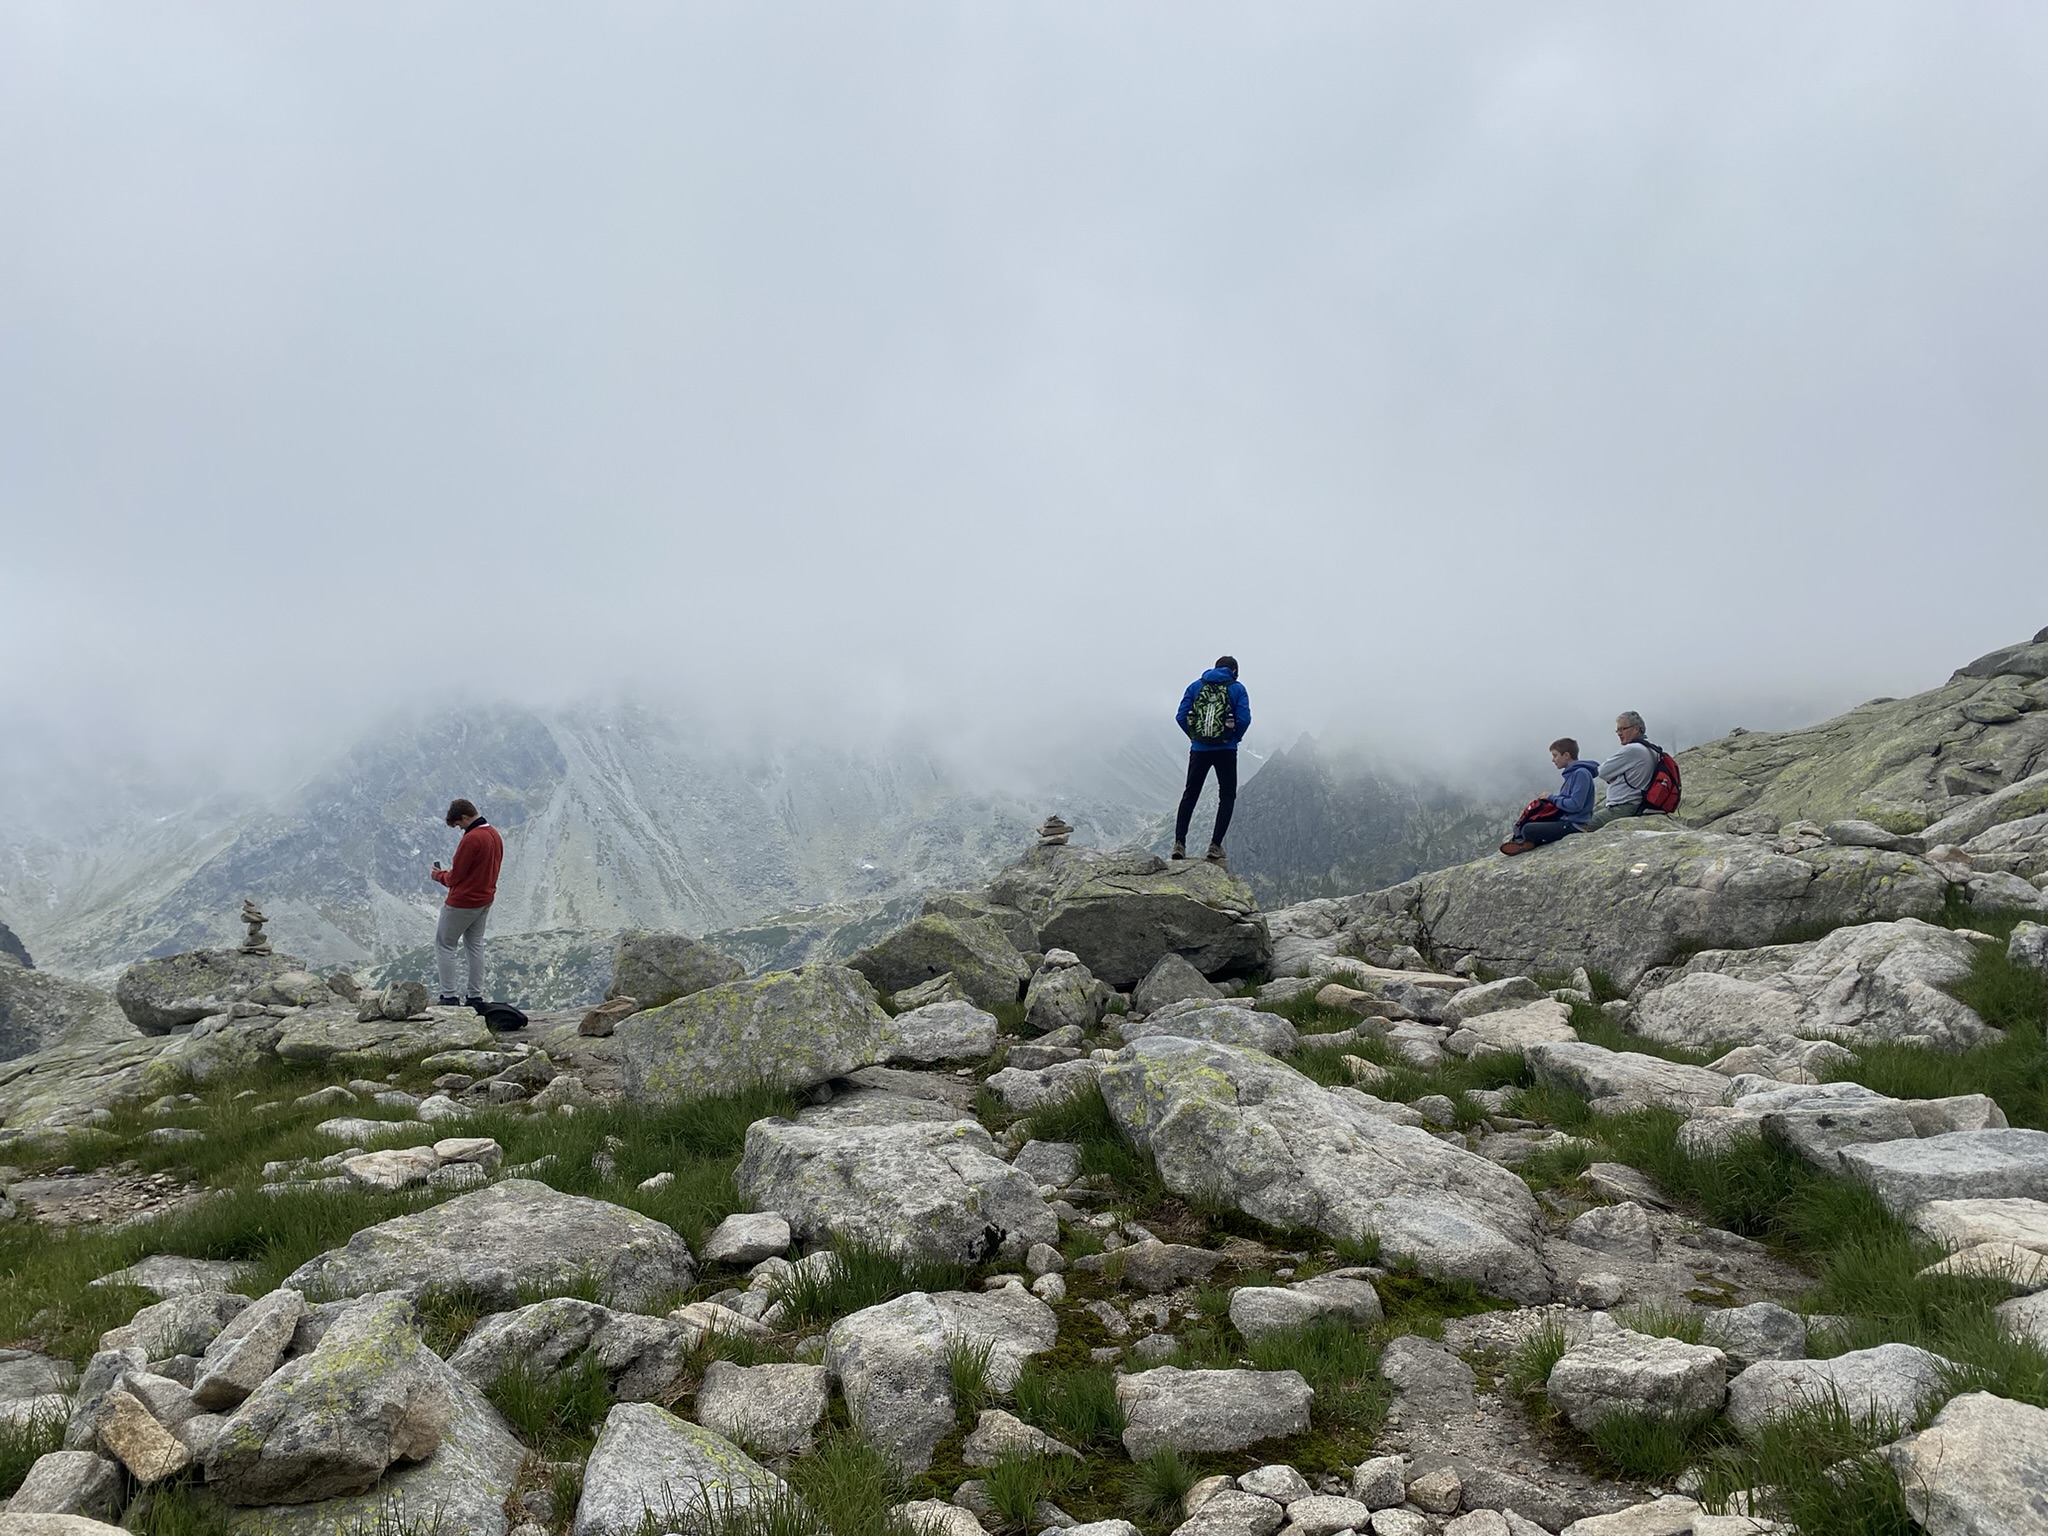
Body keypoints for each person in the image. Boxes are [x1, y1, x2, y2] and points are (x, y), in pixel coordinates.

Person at [1173, 656, 1251, 862]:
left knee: (1190, 794)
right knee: (1227, 796)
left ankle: (1179, 843)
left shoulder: (1195, 686)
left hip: (1199, 749)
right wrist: (1234, 738)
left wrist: (1195, 737)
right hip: (1226, 749)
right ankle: (1215, 846)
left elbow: (1181, 716)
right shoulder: (1237, 689)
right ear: (1234, 671)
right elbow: (1244, 719)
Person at [430, 797, 503, 1009]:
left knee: (445, 944)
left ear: (464, 817)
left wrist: (438, 875)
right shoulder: (494, 835)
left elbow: (455, 877)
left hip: (462, 902)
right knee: (475, 944)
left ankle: (449, 996)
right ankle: (474, 996)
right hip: (484, 899)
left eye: (458, 825)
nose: (460, 829)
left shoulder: (472, 839)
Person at [1500, 739, 1599, 855]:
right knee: (1527, 822)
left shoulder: (1581, 774)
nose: (1553, 760)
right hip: (1566, 821)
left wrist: (1552, 798)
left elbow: (1576, 805)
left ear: (1566, 755)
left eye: (1555, 755)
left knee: (1529, 829)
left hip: (1574, 825)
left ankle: (1526, 842)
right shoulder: (1572, 774)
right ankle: (1523, 841)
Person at [1590, 711, 1658, 830]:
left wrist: (1615, 774)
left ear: (1636, 729)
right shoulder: (1651, 750)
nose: (1619, 734)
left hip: (1624, 807)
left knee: (1581, 826)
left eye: (1623, 729)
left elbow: (1602, 772)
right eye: (1617, 731)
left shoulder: (1632, 750)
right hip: (1637, 804)